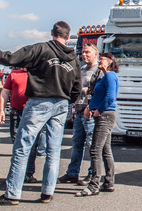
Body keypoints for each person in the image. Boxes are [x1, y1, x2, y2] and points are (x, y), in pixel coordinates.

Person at [0, 21, 81, 206]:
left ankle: (12, 194)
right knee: (53, 150)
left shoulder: (41, 49)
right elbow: (77, 87)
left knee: (22, 147)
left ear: (52, 33)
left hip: (39, 101)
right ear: (68, 36)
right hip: (61, 104)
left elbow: (8, 58)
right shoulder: (73, 58)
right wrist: (67, 100)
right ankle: (47, 192)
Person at [76, 53, 119, 197]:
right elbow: (98, 95)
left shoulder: (110, 76)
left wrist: (99, 110)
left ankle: (94, 185)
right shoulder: (105, 76)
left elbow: (110, 97)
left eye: (102, 59)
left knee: (95, 149)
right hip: (103, 114)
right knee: (106, 150)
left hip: (105, 116)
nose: (99, 60)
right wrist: (90, 107)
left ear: (109, 62)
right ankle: (108, 181)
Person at [60, 44, 103, 186]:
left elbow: (100, 92)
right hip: (78, 111)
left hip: (90, 113)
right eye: (83, 52)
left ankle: (92, 174)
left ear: (95, 54)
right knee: (76, 144)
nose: (84, 55)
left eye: (87, 52)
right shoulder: (81, 70)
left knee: (92, 145)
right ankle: (72, 173)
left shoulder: (99, 71)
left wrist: (91, 107)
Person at [0, 68, 46, 184]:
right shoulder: (14, 74)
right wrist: (1, 110)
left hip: (34, 114)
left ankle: (28, 173)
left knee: (32, 144)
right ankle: (16, 174)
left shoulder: (40, 71)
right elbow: (5, 92)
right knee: (17, 144)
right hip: (17, 112)